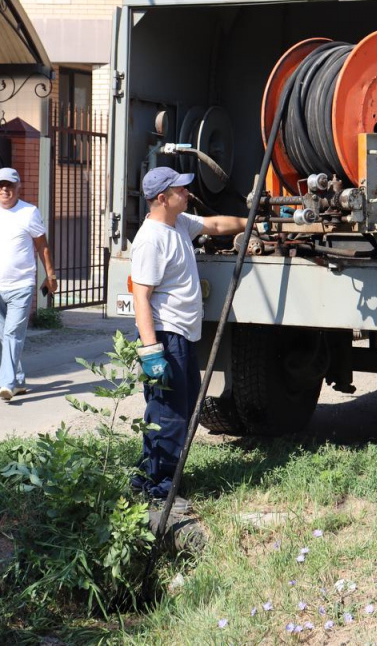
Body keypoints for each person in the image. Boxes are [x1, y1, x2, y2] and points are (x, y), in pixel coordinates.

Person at [131, 166, 247, 507]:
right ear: (162, 198)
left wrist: (252, 222)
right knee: (169, 415)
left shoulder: (179, 223)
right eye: (180, 190)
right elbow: (141, 298)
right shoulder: (150, 239)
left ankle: (146, 476)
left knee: (174, 410)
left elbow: (215, 224)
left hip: (181, 337)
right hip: (166, 338)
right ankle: (160, 491)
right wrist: (152, 351)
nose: (187, 192)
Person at [0, 167, 58, 401]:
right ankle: (18, 378)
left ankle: (6, 384)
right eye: (0, 185)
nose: (5, 190)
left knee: (13, 333)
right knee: (6, 336)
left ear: (18, 188)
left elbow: (42, 246)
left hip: (22, 285)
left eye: (10, 186)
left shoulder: (29, 212)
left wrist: (51, 274)